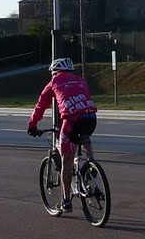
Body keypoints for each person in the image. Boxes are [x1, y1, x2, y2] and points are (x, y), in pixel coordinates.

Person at [27, 57, 98, 214]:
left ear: (55, 72)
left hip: (72, 121)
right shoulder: (80, 80)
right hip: (91, 118)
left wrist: (32, 125)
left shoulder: (54, 82)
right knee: (84, 136)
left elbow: (40, 106)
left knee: (66, 160)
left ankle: (66, 200)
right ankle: (92, 163)